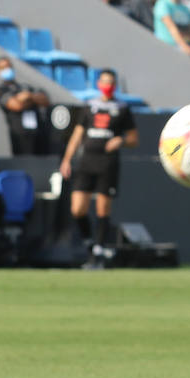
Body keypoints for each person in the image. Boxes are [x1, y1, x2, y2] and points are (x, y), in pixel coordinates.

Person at [59, 69, 137, 268]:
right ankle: (89, 245)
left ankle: (99, 253)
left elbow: (133, 139)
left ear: (115, 85)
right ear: (98, 83)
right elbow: (77, 135)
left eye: (111, 82)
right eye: (104, 81)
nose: (107, 85)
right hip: (87, 162)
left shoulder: (122, 109)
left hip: (108, 163)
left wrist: (120, 140)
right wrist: (67, 159)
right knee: (77, 209)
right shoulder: (89, 107)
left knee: (103, 209)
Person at [0, 56, 49, 154]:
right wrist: (31, 100)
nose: (7, 70)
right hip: (19, 135)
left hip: (38, 133)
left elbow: (44, 100)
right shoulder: (0, 90)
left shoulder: (25, 86)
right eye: (3, 68)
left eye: (9, 66)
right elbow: (16, 106)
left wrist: (28, 96)